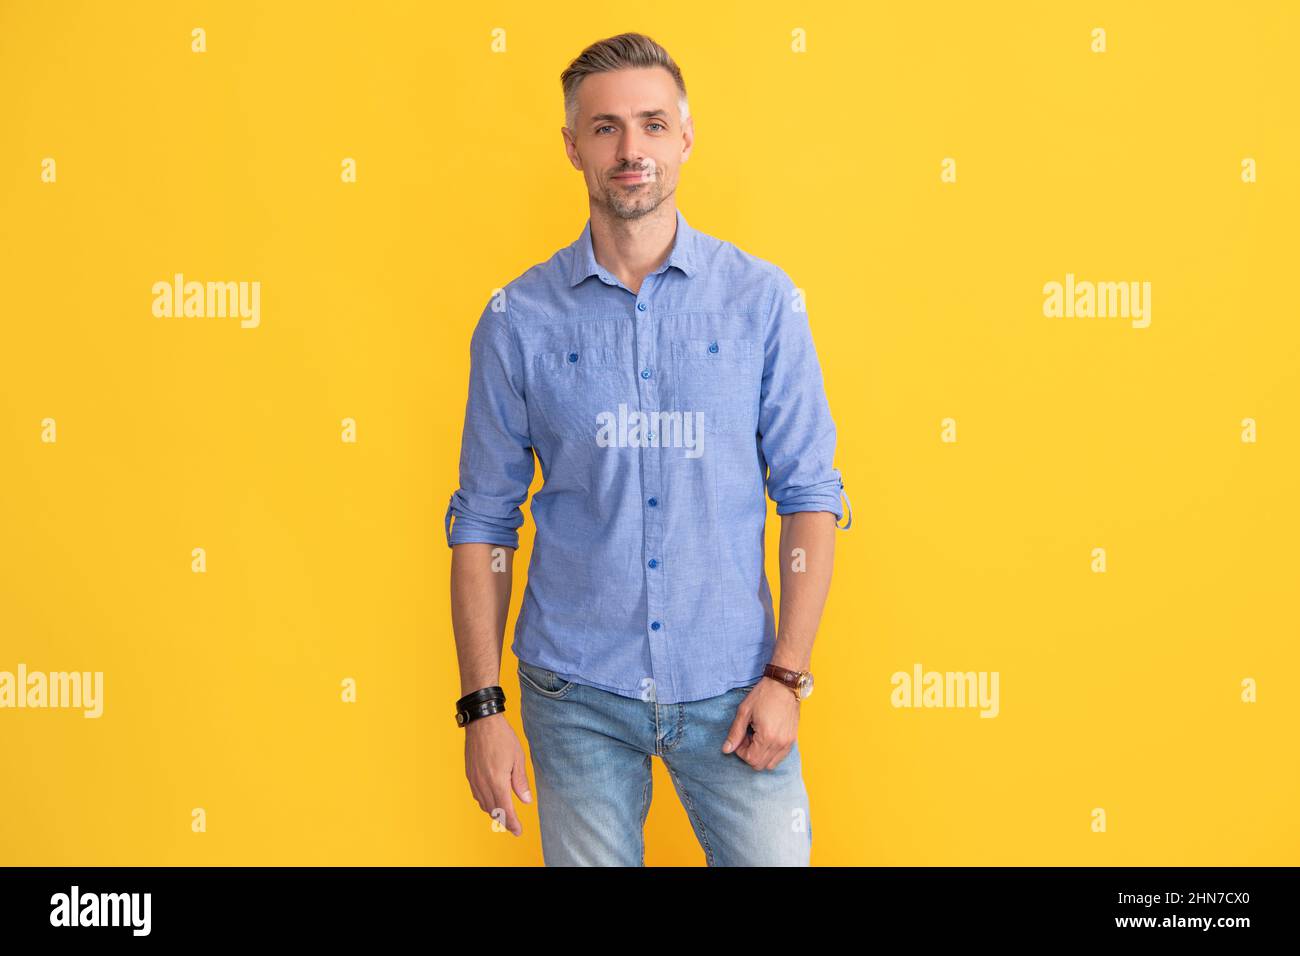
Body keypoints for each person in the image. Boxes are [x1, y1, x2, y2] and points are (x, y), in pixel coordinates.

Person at [446, 32, 851, 866]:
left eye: (652, 124)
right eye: (605, 129)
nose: (631, 149)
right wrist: (483, 710)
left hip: (737, 687)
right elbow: (483, 521)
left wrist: (788, 678)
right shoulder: (516, 320)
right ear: (572, 147)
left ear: (686, 137)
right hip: (575, 691)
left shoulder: (764, 303)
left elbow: (810, 494)